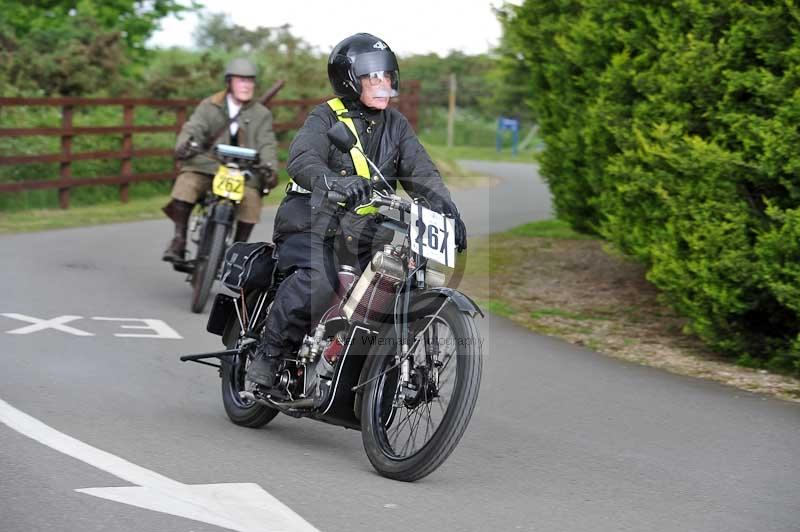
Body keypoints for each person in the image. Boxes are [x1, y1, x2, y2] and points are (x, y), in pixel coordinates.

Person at [247, 33, 467, 387]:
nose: (382, 84)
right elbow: (302, 158)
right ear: (349, 80)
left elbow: (422, 171)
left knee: (404, 275)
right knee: (320, 279)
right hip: (313, 219)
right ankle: (270, 353)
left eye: (386, 76)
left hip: (365, 228)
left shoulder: (396, 125)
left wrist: (447, 211)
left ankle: (367, 368)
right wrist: (336, 182)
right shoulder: (325, 116)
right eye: (371, 77)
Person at [162, 58, 279, 263]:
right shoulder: (210, 105)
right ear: (229, 82)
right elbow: (193, 128)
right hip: (209, 165)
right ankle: (178, 239)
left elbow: (267, 142)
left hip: (245, 171)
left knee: (251, 201)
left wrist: (269, 166)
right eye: (241, 80)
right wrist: (185, 145)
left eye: (250, 81)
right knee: (187, 182)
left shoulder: (262, 114)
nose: (246, 85)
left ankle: (236, 255)